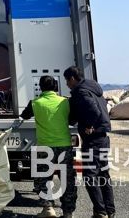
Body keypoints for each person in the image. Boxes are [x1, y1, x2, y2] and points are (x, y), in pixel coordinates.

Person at [20, 75, 77, 218]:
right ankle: (68, 212)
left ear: (40, 87)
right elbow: (72, 120)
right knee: (67, 179)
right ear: (55, 87)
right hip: (64, 145)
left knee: (43, 178)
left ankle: (48, 208)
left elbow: (24, 116)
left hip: (44, 147)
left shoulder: (35, 103)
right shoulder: (65, 101)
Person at [64, 66, 115, 218]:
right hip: (103, 138)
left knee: (89, 175)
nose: (67, 84)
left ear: (72, 78)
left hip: (93, 140)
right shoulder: (93, 88)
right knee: (103, 174)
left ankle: (100, 211)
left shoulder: (81, 92)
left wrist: (89, 126)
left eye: (67, 81)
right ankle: (109, 211)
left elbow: (94, 111)